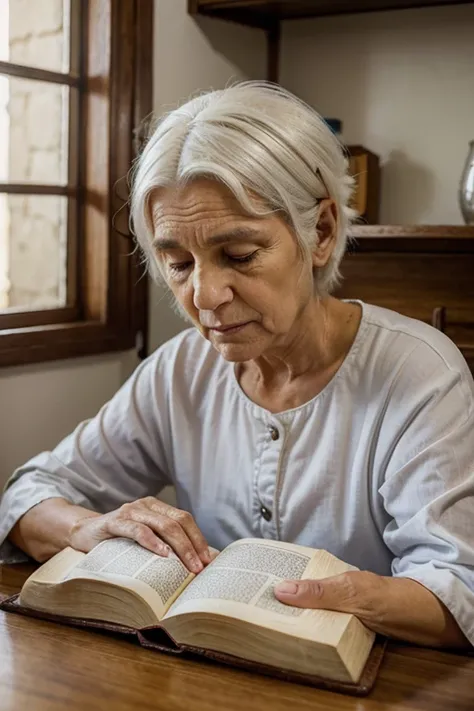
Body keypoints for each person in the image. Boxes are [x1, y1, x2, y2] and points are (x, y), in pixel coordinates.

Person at [1, 82, 473, 650]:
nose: (204, 295)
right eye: (177, 262)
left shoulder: (417, 373)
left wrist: (335, 597)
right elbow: (28, 494)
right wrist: (86, 527)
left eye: (240, 256)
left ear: (320, 232)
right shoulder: (180, 370)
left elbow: (456, 592)